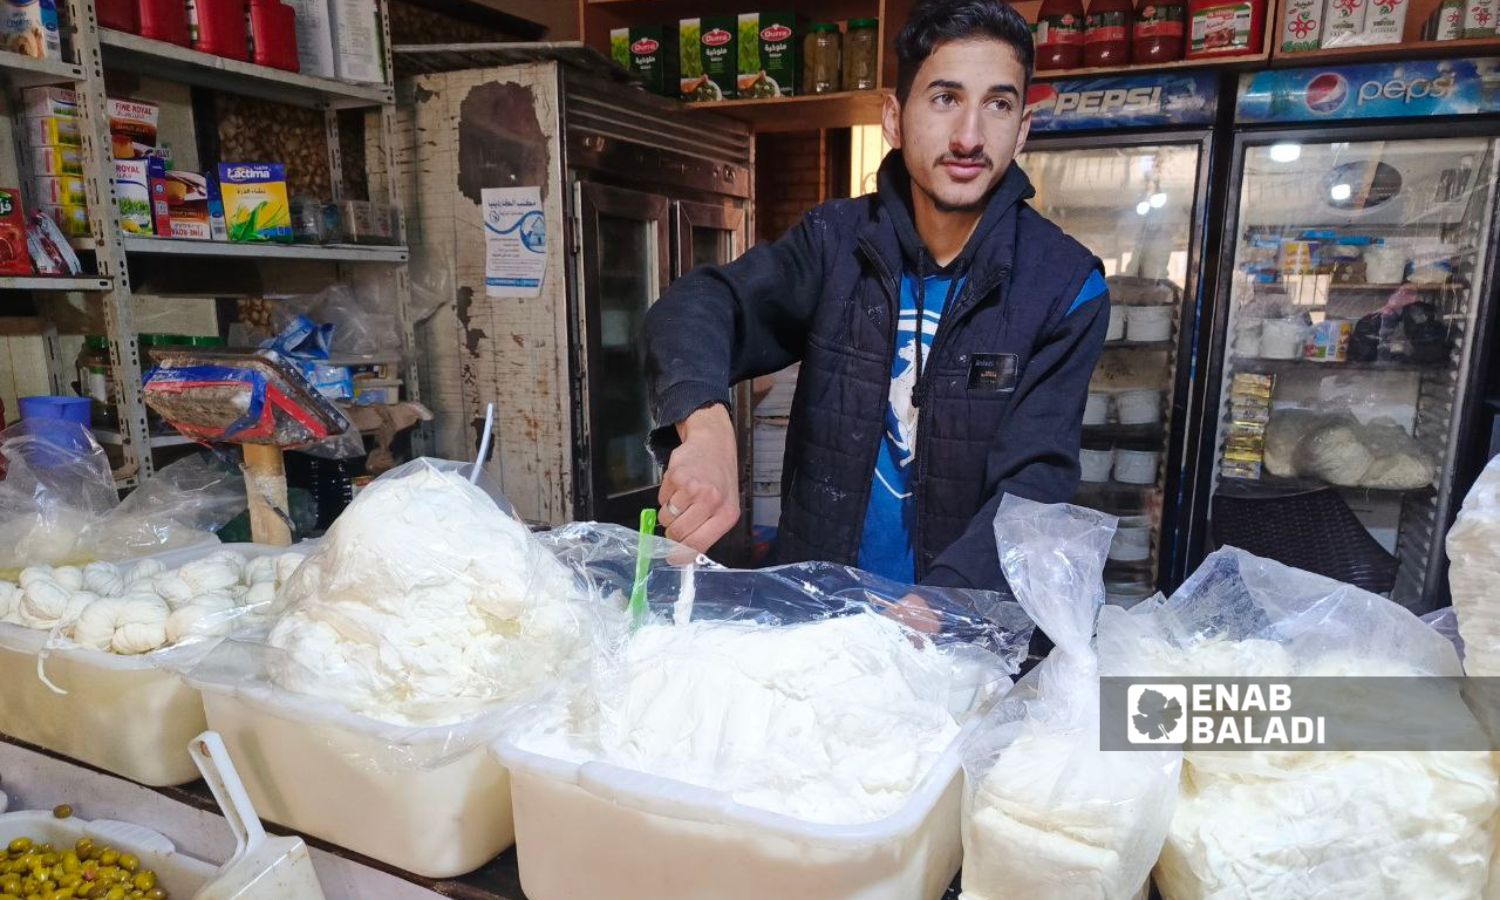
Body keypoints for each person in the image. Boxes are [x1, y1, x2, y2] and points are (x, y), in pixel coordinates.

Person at [644, 0, 1109, 593]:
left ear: (1022, 129)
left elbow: (1036, 489)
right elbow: (701, 305)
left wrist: (938, 609)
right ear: (894, 117)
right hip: (824, 617)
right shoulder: (834, 244)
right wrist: (706, 428)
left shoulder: (1066, 287)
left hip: (964, 633)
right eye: (945, 98)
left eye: (997, 104)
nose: (970, 136)